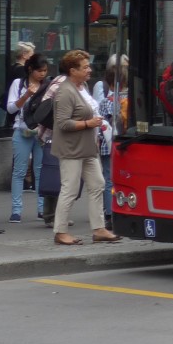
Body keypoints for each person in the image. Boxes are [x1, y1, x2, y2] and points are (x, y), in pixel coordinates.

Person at [51, 49, 120, 246]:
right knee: (70, 189)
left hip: (88, 148)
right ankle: (60, 232)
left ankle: (99, 229)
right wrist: (88, 124)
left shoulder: (83, 86)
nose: (89, 70)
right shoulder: (65, 92)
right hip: (71, 149)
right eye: (85, 67)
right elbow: (63, 123)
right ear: (72, 71)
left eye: (88, 66)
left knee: (97, 184)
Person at [5, 52, 49, 223]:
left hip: (40, 132)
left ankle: (42, 209)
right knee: (19, 172)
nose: (42, 74)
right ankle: (16, 210)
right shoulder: (19, 83)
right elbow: (10, 108)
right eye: (39, 71)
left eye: (45, 71)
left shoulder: (47, 86)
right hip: (22, 132)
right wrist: (26, 96)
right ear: (30, 69)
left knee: (40, 171)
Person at [93, 54, 128, 225]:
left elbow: (101, 124)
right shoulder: (127, 100)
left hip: (107, 145)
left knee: (108, 179)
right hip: (124, 143)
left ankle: (109, 212)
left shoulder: (107, 101)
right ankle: (119, 209)